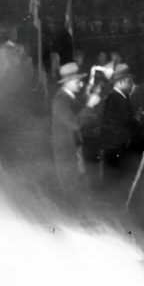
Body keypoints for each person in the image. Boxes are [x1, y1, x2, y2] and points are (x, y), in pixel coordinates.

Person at [52, 62, 93, 193]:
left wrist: (86, 97)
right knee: (70, 184)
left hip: (73, 146)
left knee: (78, 180)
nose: (81, 84)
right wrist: (90, 105)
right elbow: (75, 124)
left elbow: (77, 108)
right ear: (67, 82)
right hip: (66, 149)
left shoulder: (69, 97)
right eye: (78, 82)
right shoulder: (60, 101)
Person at [99, 63, 137, 175]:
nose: (132, 85)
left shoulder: (123, 97)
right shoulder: (113, 98)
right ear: (120, 82)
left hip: (120, 144)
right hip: (115, 146)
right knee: (115, 177)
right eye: (129, 82)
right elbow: (120, 122)